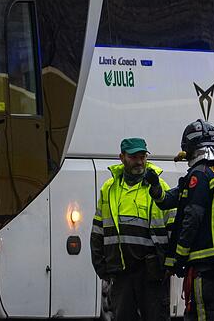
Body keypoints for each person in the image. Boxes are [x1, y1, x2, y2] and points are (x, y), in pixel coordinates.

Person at [147, 120, 214, 321]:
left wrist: (178, 258)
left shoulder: (199, 175)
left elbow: (192, 218)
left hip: (205, 261)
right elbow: (167, 200)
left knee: (202, 313)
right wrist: (154, 186)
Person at [91, 137, 175, 321]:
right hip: (122, 272)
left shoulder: (159, 187)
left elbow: (173, 228)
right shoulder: (109, 188)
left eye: (142, 156)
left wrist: (171, 263)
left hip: (152, 272)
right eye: (133, 157)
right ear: (122, 158)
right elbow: (98, 230)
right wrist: (100, 265)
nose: (139, 162)